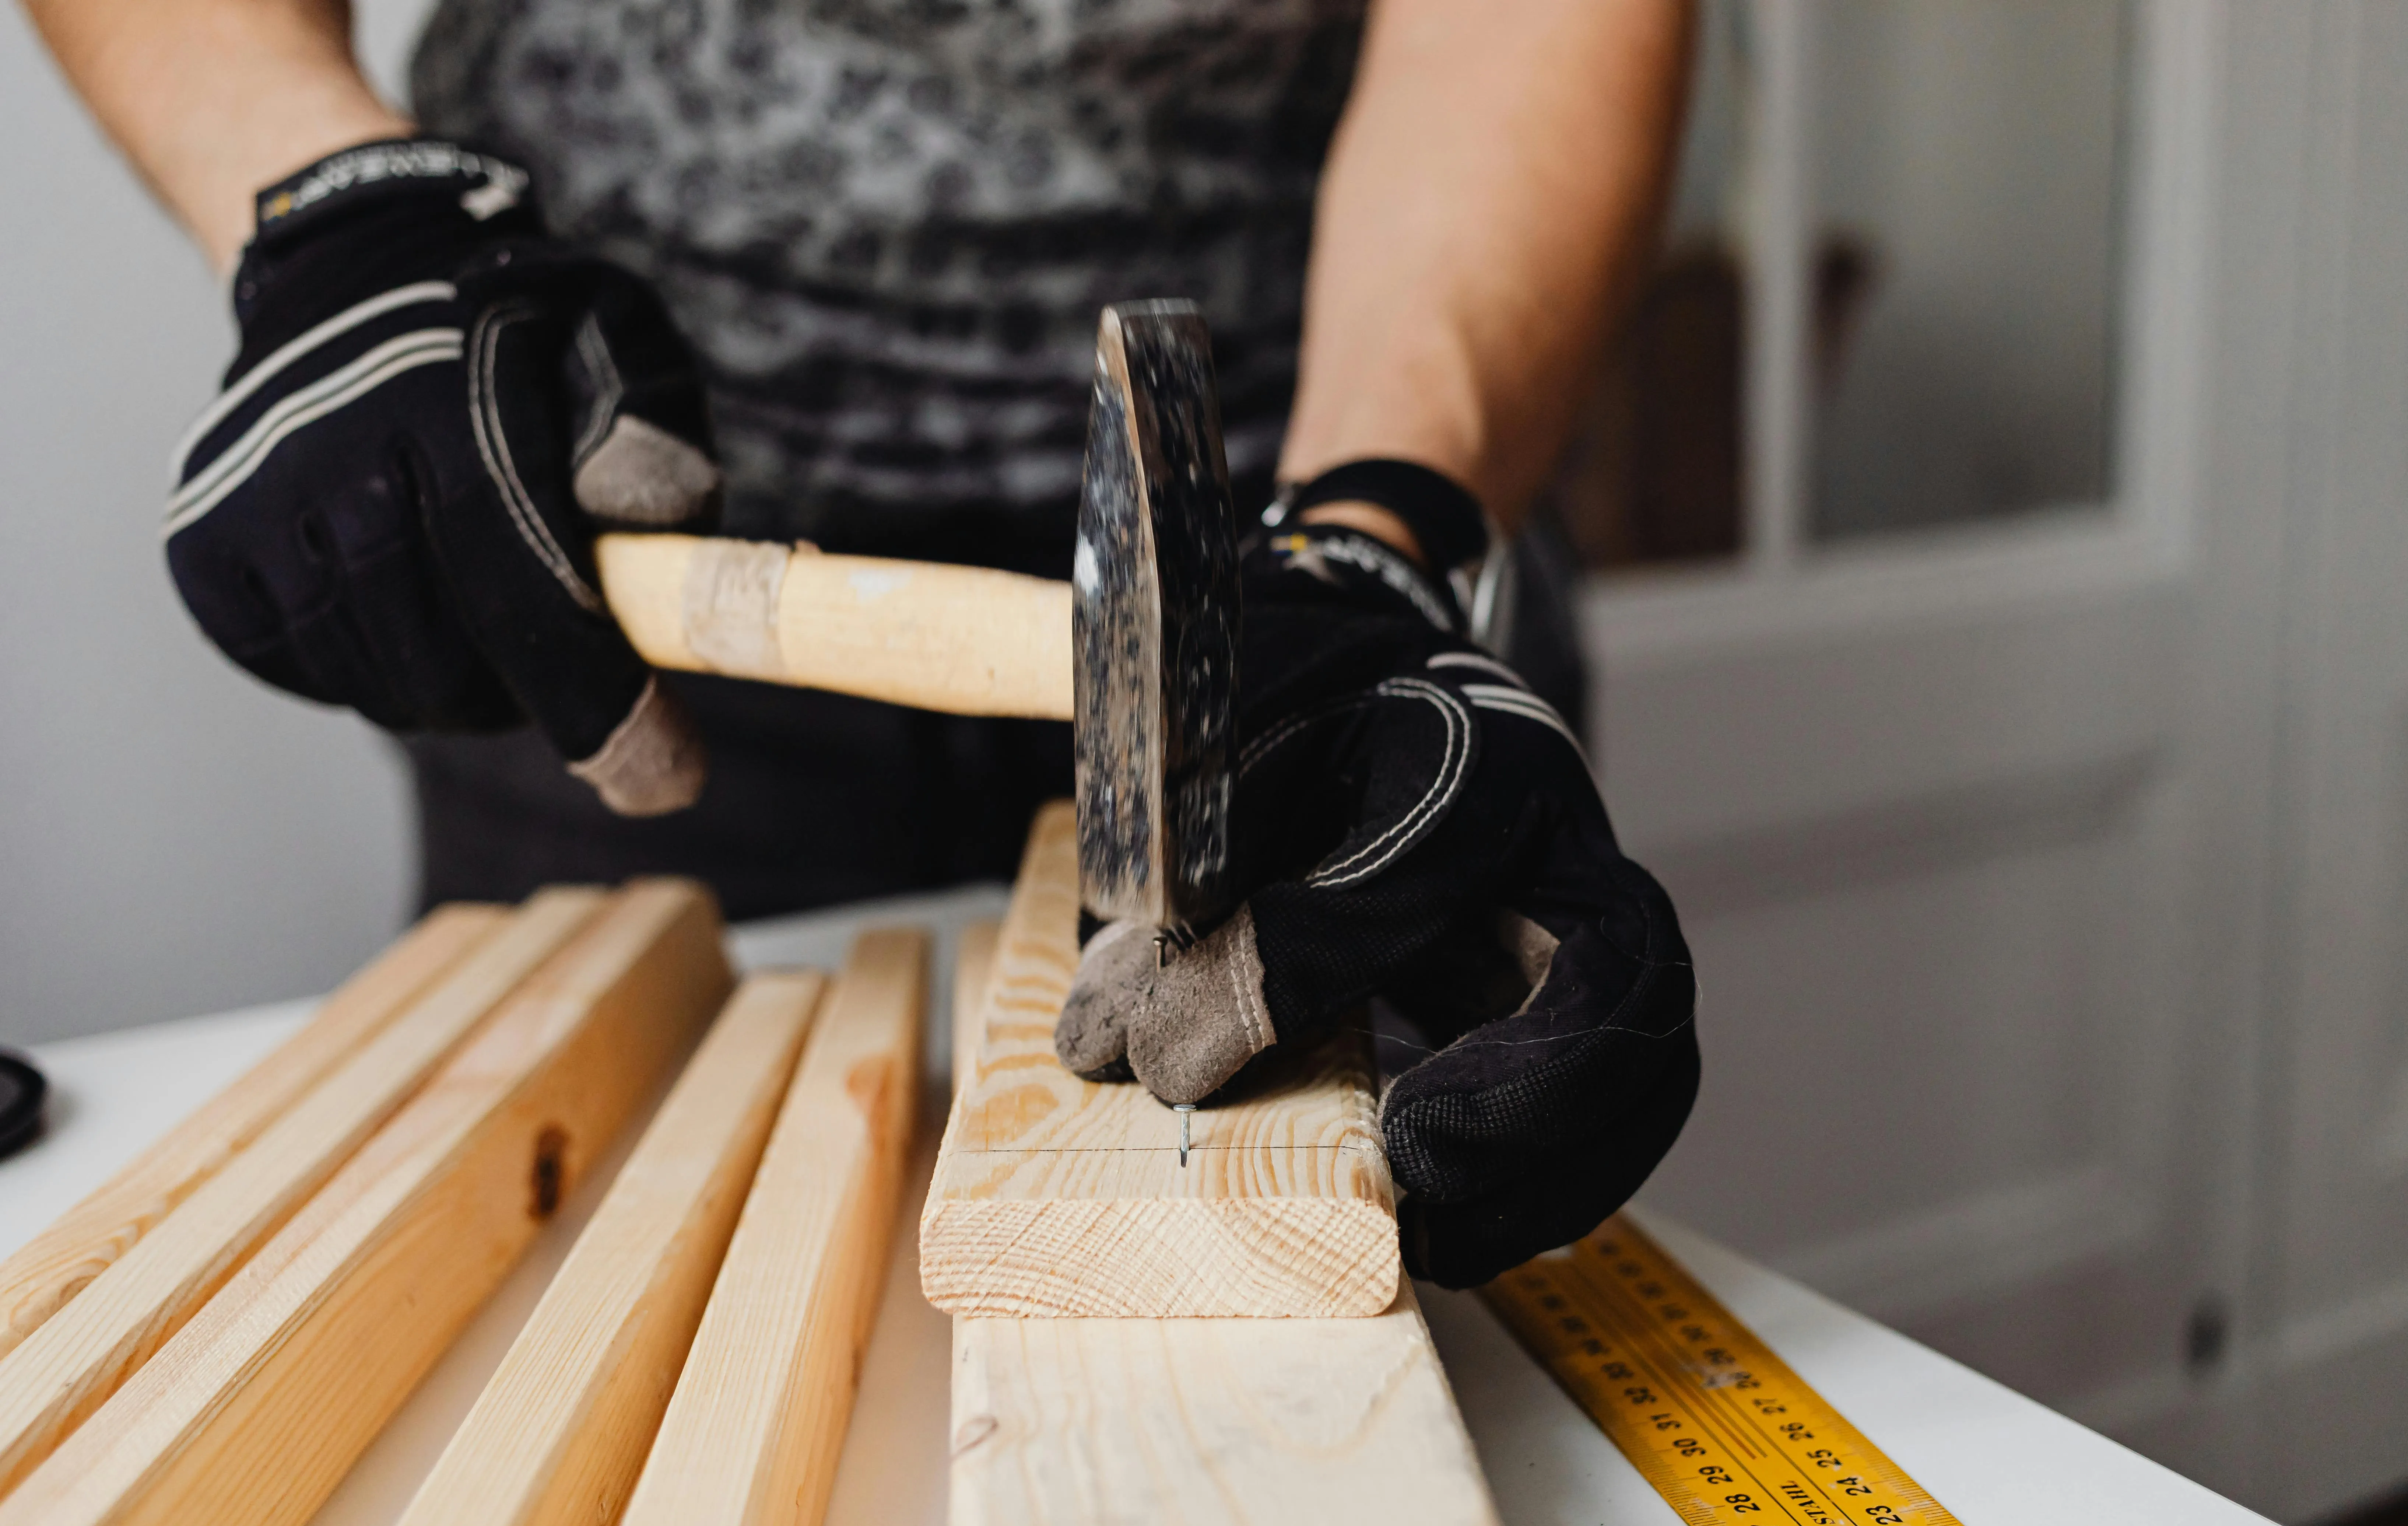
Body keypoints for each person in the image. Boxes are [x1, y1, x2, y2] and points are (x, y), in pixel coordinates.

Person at [30, 0, 1702, 1287]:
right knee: (585, 1281)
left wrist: (1382, 528)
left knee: (1355, 1269)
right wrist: (337, 212)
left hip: (1311, 529)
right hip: (612, 506)